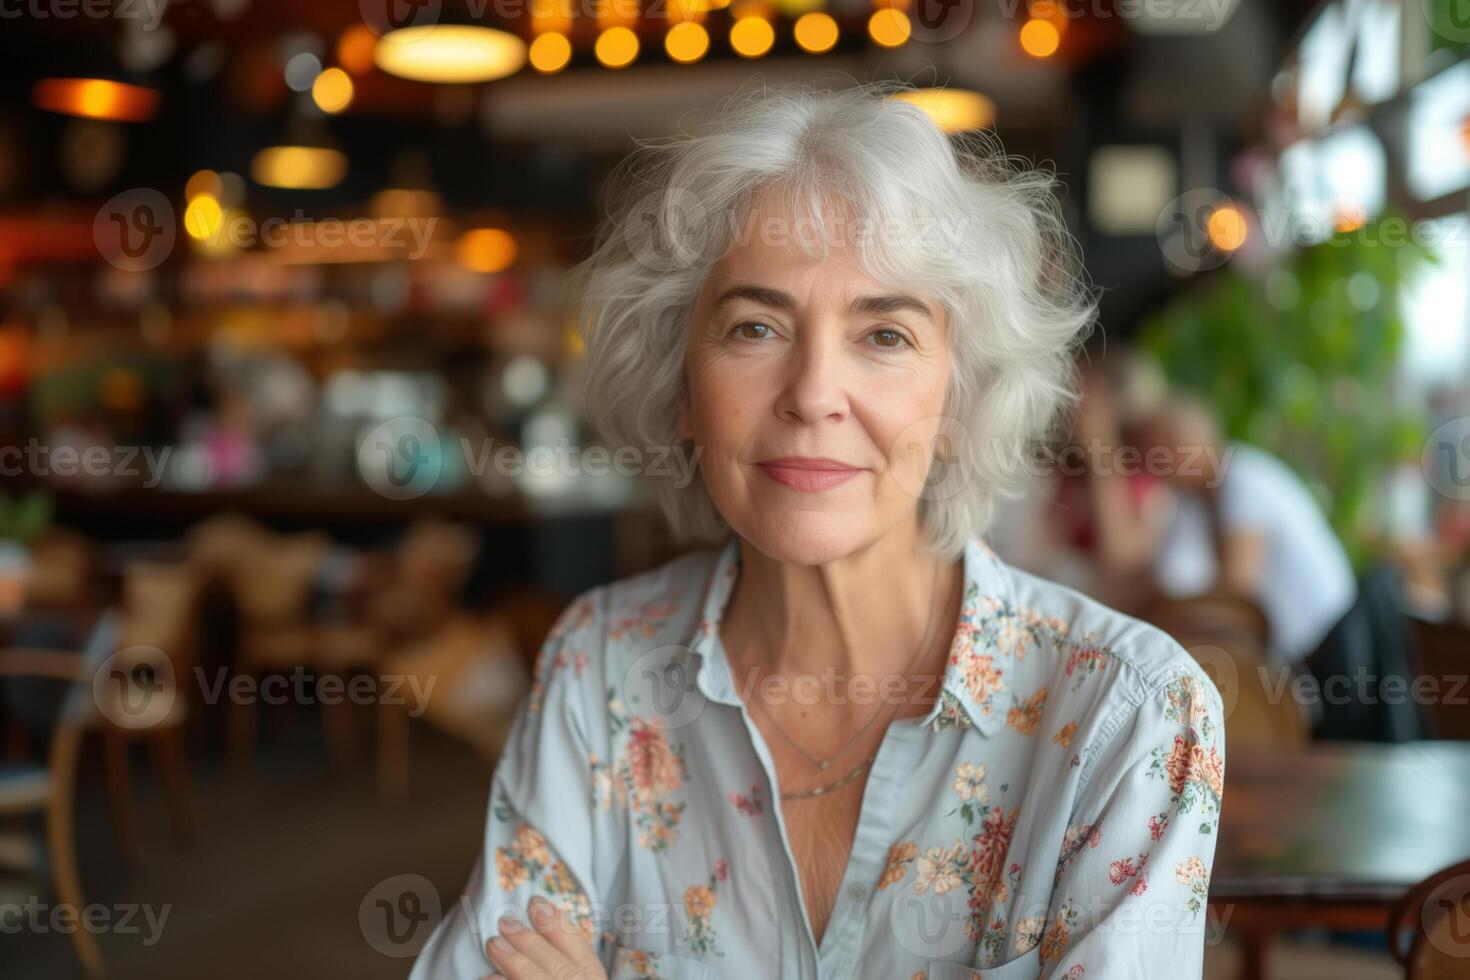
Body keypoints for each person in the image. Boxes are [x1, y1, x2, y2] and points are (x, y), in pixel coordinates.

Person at [410, 83, 1225, 980]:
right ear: (682, 390)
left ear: (961, 397)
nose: (810, 394)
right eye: (755, 327)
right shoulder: (600, 669)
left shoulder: (1129, 719)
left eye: (884, 335)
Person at [1121, 396, 1358, 669]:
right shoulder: (1194, 502)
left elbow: (1236, 598)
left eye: (1167, 442)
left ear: (1202, 436)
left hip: (1327, 651)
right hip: (1293, 656)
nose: (1157, 456)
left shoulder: (1242, 479)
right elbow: (1162, 576)